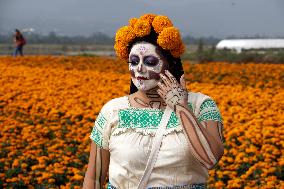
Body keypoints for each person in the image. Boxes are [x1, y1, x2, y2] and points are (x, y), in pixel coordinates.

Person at [83, 14, 225, 189]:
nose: (139, 68)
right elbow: (94, 179)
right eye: (134, 61)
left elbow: (210, 159)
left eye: (150, 61)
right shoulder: (113, 110)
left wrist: (181, 107)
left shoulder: (201, 105)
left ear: (170, 64)